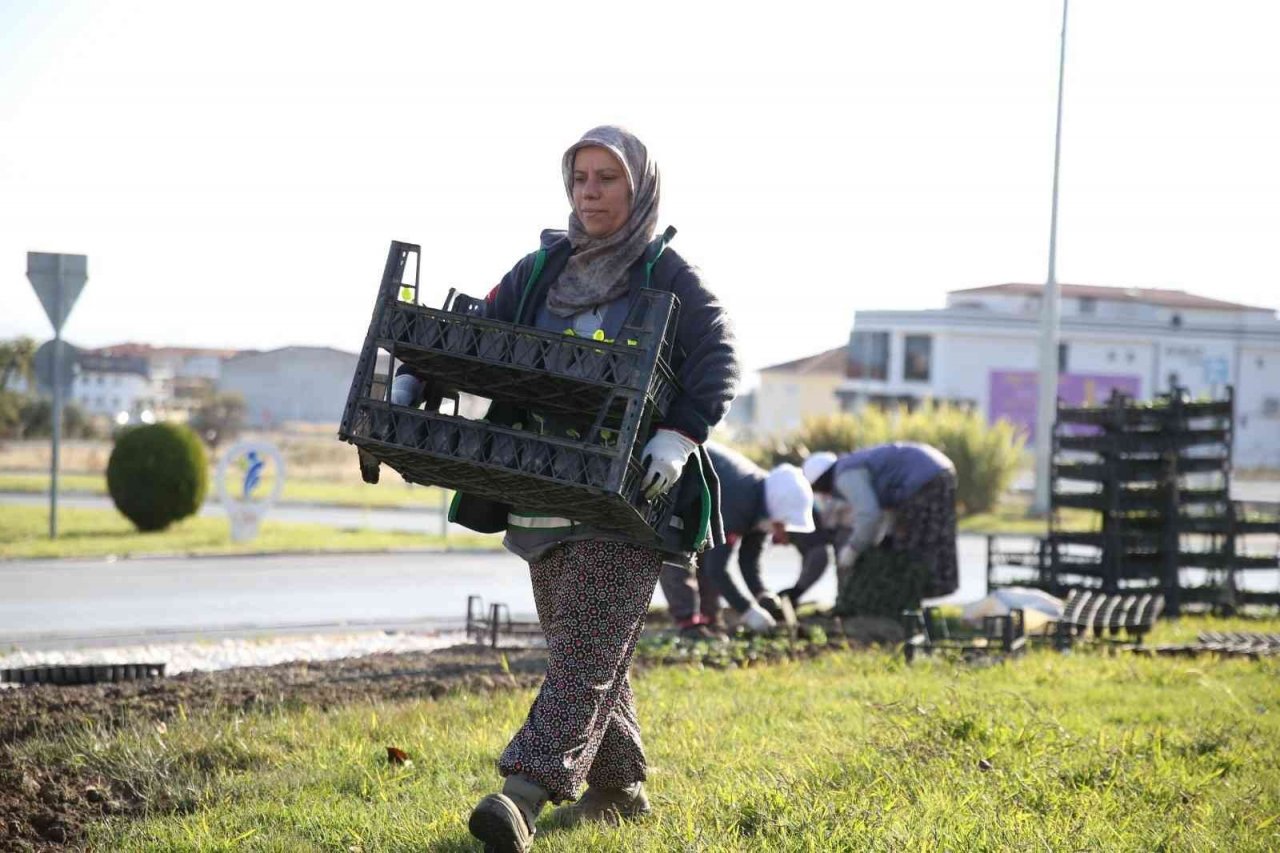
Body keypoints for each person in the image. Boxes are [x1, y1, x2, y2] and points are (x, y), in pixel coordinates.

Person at [393, 126, 738, 852]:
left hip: (631, 497)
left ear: (638, 187)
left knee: (584, 653)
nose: (590, 190)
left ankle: (522, 793)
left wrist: (680, 434)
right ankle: (621, 791)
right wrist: (417, 373)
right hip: (542, 489)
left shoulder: (666, 273)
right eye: (580, 176)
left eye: (607, 177)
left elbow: (717, 355)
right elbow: (478, 331)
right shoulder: (539, 270)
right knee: (585, 648)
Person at [659, 442, 815, 635]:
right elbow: (717, 569)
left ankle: (709, 620)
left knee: (707, 552)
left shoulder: (763, 504)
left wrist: (761, 593)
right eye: (784, 526)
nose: (784, 536)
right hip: (675, 477)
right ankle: (689, 623)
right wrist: (747, 610)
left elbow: (749, 560)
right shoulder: (741, 502)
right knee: (676, 550)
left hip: (699, 490)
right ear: (777, 512)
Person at [802, 442, 959, 600]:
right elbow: (886, 509)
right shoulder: (852, 465)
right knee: (916, 541)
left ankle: (909, 603)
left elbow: (869, 515)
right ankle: (922, 596)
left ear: (820, 481)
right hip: (940, 471)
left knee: (908, 550)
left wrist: (853, 548)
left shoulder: (844, 475)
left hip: (925, 479)